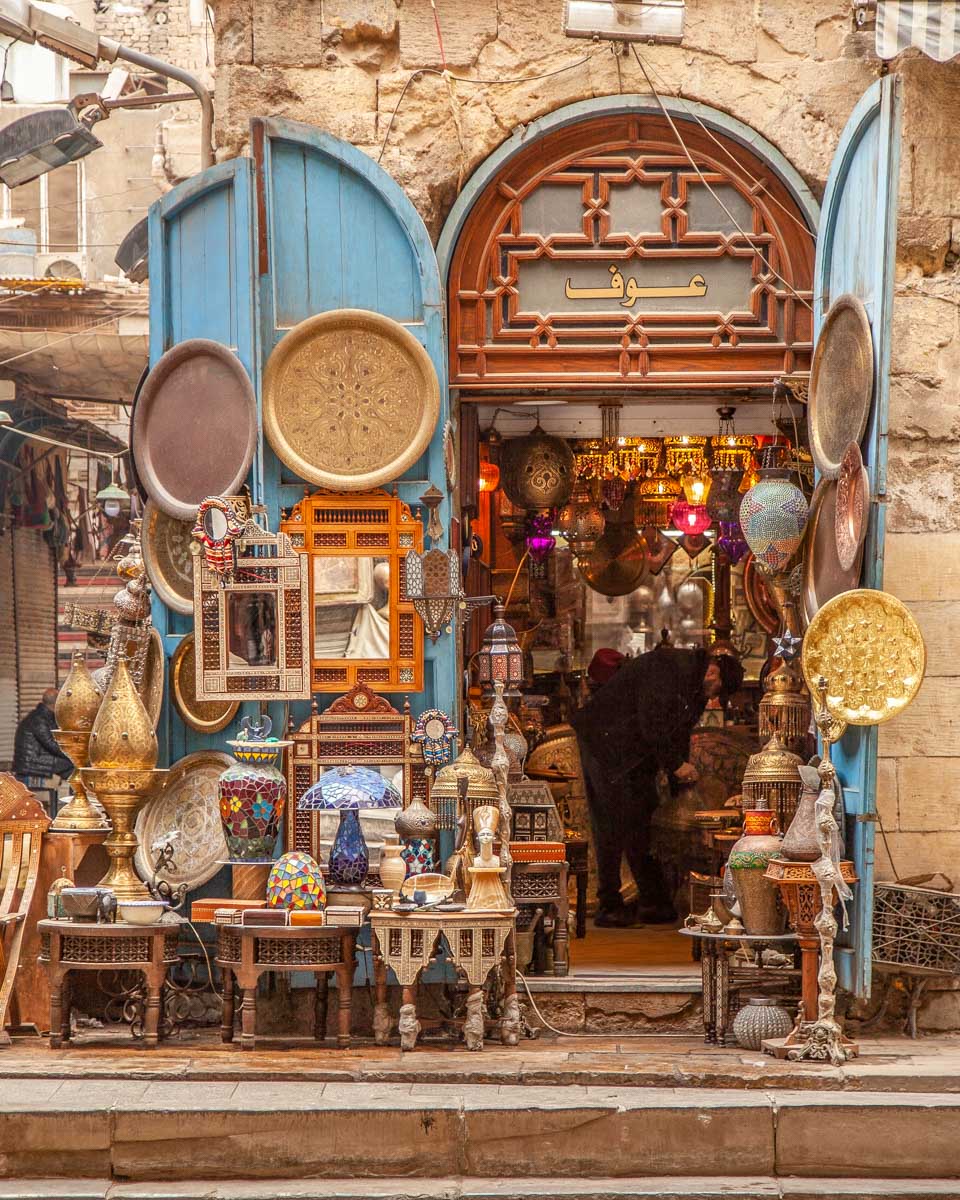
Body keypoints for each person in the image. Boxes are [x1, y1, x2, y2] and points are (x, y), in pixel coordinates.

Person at [573, 645, 744, 928]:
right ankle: (609, 904)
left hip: (634, 752)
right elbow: (652, 721)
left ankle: (654, 901)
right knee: (611, 822)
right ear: (712, 671)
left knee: (642, 818)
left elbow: (680, 734)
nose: (714, 697)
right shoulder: (667, 667)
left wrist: (681, 782)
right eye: (717, 689)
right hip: (604, 743)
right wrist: (676, 765)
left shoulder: (696, 688)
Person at [13, 687, 74, 809]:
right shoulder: (39, 719)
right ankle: (74, 807)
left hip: (39, 759)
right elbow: (52, 744)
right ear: (56, 703)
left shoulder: (44, 716)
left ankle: (73, 805)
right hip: (32, 763)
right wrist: (74, 753)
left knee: (74, 766)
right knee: (75, 767)